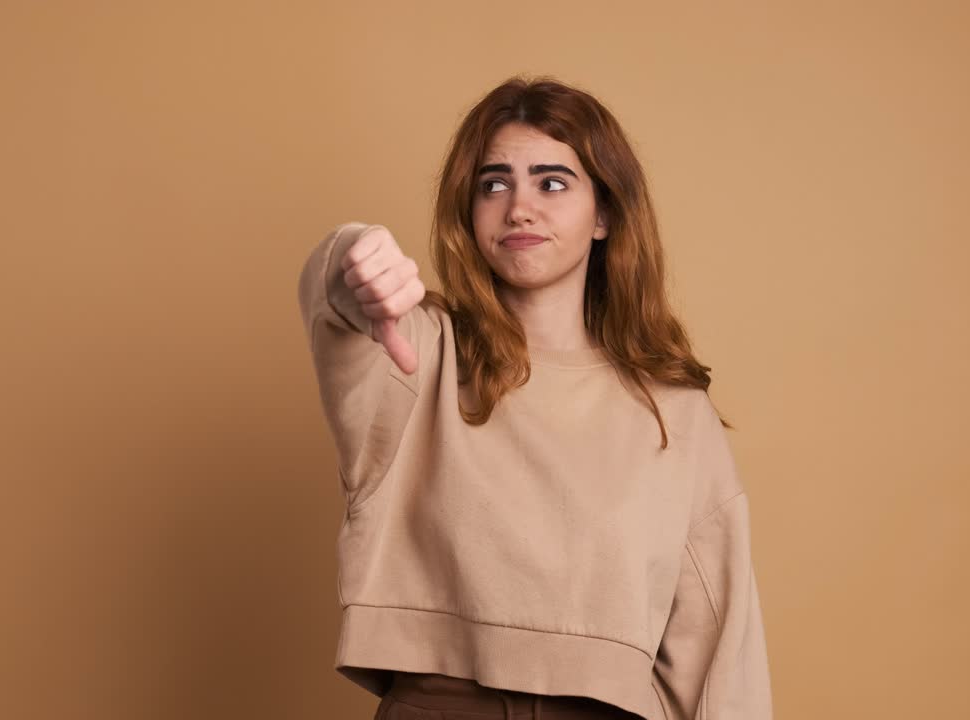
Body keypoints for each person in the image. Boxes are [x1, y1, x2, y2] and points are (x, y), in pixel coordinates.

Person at [297, 74, 773, 720]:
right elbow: (337, 310)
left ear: (604, 213)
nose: (520, 207)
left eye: (552, 182)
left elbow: (721, 648)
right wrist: (355, 260)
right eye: (495, 184)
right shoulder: (420, 355)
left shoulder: (671, 409)